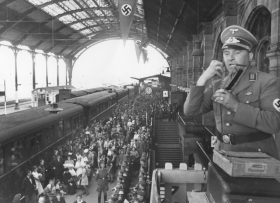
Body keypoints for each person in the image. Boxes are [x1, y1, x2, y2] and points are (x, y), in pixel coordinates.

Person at [184, 25, 280, 159]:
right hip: (222, 154)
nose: (231, 58)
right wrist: (203, 78)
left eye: (237, 52)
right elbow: (190, 111)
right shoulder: (218, 85)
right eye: (227, 53)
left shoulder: (267, 82)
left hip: (256, 156)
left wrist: (236, 106)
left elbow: (274, 123)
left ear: (250, 56)